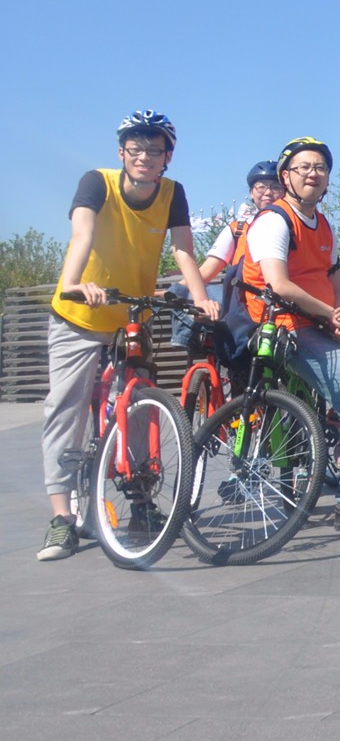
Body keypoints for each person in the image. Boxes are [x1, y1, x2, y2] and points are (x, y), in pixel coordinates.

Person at [39, 111, 219, 561]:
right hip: (81, 312)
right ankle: (61, 519)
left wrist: (201, 298)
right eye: (135, 149)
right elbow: (82, 233)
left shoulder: (173, 193)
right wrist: (74, 283)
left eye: (154, 151)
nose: (144, 157)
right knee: (66, 409)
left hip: (131, 316)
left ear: (167, 157)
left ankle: (141, 503)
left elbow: (183, 250)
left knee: (139, 407)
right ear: (122, 153)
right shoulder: (97, 182)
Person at [241, 137, 340, 538]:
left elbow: (334, 278)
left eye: (320, 168)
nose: (314, 173)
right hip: (288, 327)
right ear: (285, 176)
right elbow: (279, 284)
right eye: (304, 167)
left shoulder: (323, 224)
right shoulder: (274, 220)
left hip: (322, 324)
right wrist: (329, 313)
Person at [168, 159, 278, 365]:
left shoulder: (293, 227)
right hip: (240, 300)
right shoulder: (237, 230)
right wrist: (175, 289)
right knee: (184, 292)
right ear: (251, 192)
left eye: (275, 187)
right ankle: (188, 340)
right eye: (261, 187)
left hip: (276, 300)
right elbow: (207, 271)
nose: (268, 192)